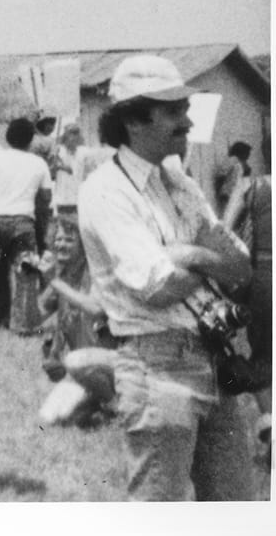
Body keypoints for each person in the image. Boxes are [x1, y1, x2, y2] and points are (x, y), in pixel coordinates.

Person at [78, 54, 255, 501]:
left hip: (213, 359)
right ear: (135, 121)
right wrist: (203, 256)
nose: (187, 120)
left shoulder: (178, 180)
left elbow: (240, 267)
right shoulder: (105, 191)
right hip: (158, 369)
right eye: (173, 110)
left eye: (185, 108)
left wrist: (188, 254)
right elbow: (159, 288)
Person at [35, 219, 116, 427]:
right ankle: (96, 404)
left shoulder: (94, 272)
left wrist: (54, 281)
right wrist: (28, 282)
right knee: (49, 418)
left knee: (76, 366)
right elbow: (33, 319)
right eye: (58, 239)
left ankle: (115, 406)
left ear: (83, 245)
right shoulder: (63, 277)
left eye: (69, 240)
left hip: (110, 364)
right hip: (80, 369)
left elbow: (96, 308)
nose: (61, 244)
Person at [223, 132, 272, 465]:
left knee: (265, 358)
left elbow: (224, 231)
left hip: (267, 279)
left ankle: (274, 431)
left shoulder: (252, 187)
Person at [0, 117, 53, 331]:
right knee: (26, 274)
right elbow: (47, 197)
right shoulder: (38, 163)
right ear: (31, 140)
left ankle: (2, 320)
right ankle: (24, 323)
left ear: (8, 137)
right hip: (23, 223)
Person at [53, 122, 87, 217]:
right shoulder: (59, 151)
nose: (72, 137)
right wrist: (55, 161)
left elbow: (72, 170)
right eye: (70, 133)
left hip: (79, 199)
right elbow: (52, 171)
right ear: (65, 136)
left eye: (75, 133)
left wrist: (61, 166)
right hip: (62, 199)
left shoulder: (84, 151)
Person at [214, 141, 253, 217]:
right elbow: (221, 174)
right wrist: (221, 190)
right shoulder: (233, 160)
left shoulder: (242, 163)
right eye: (247, 152)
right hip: (229, 194)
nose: (248, 155)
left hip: (238, 195)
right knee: (228, 216)